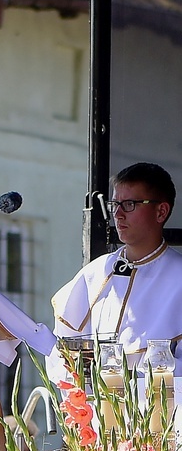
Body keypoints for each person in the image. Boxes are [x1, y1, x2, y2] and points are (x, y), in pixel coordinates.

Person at [47, 162, 182, 382]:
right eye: (114, 204)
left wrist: (132, 376)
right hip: (95, 412)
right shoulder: (95, 273)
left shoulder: (178, 277)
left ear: (161, 211)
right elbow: (61, 350)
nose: (117, 214)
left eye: (129, 204)